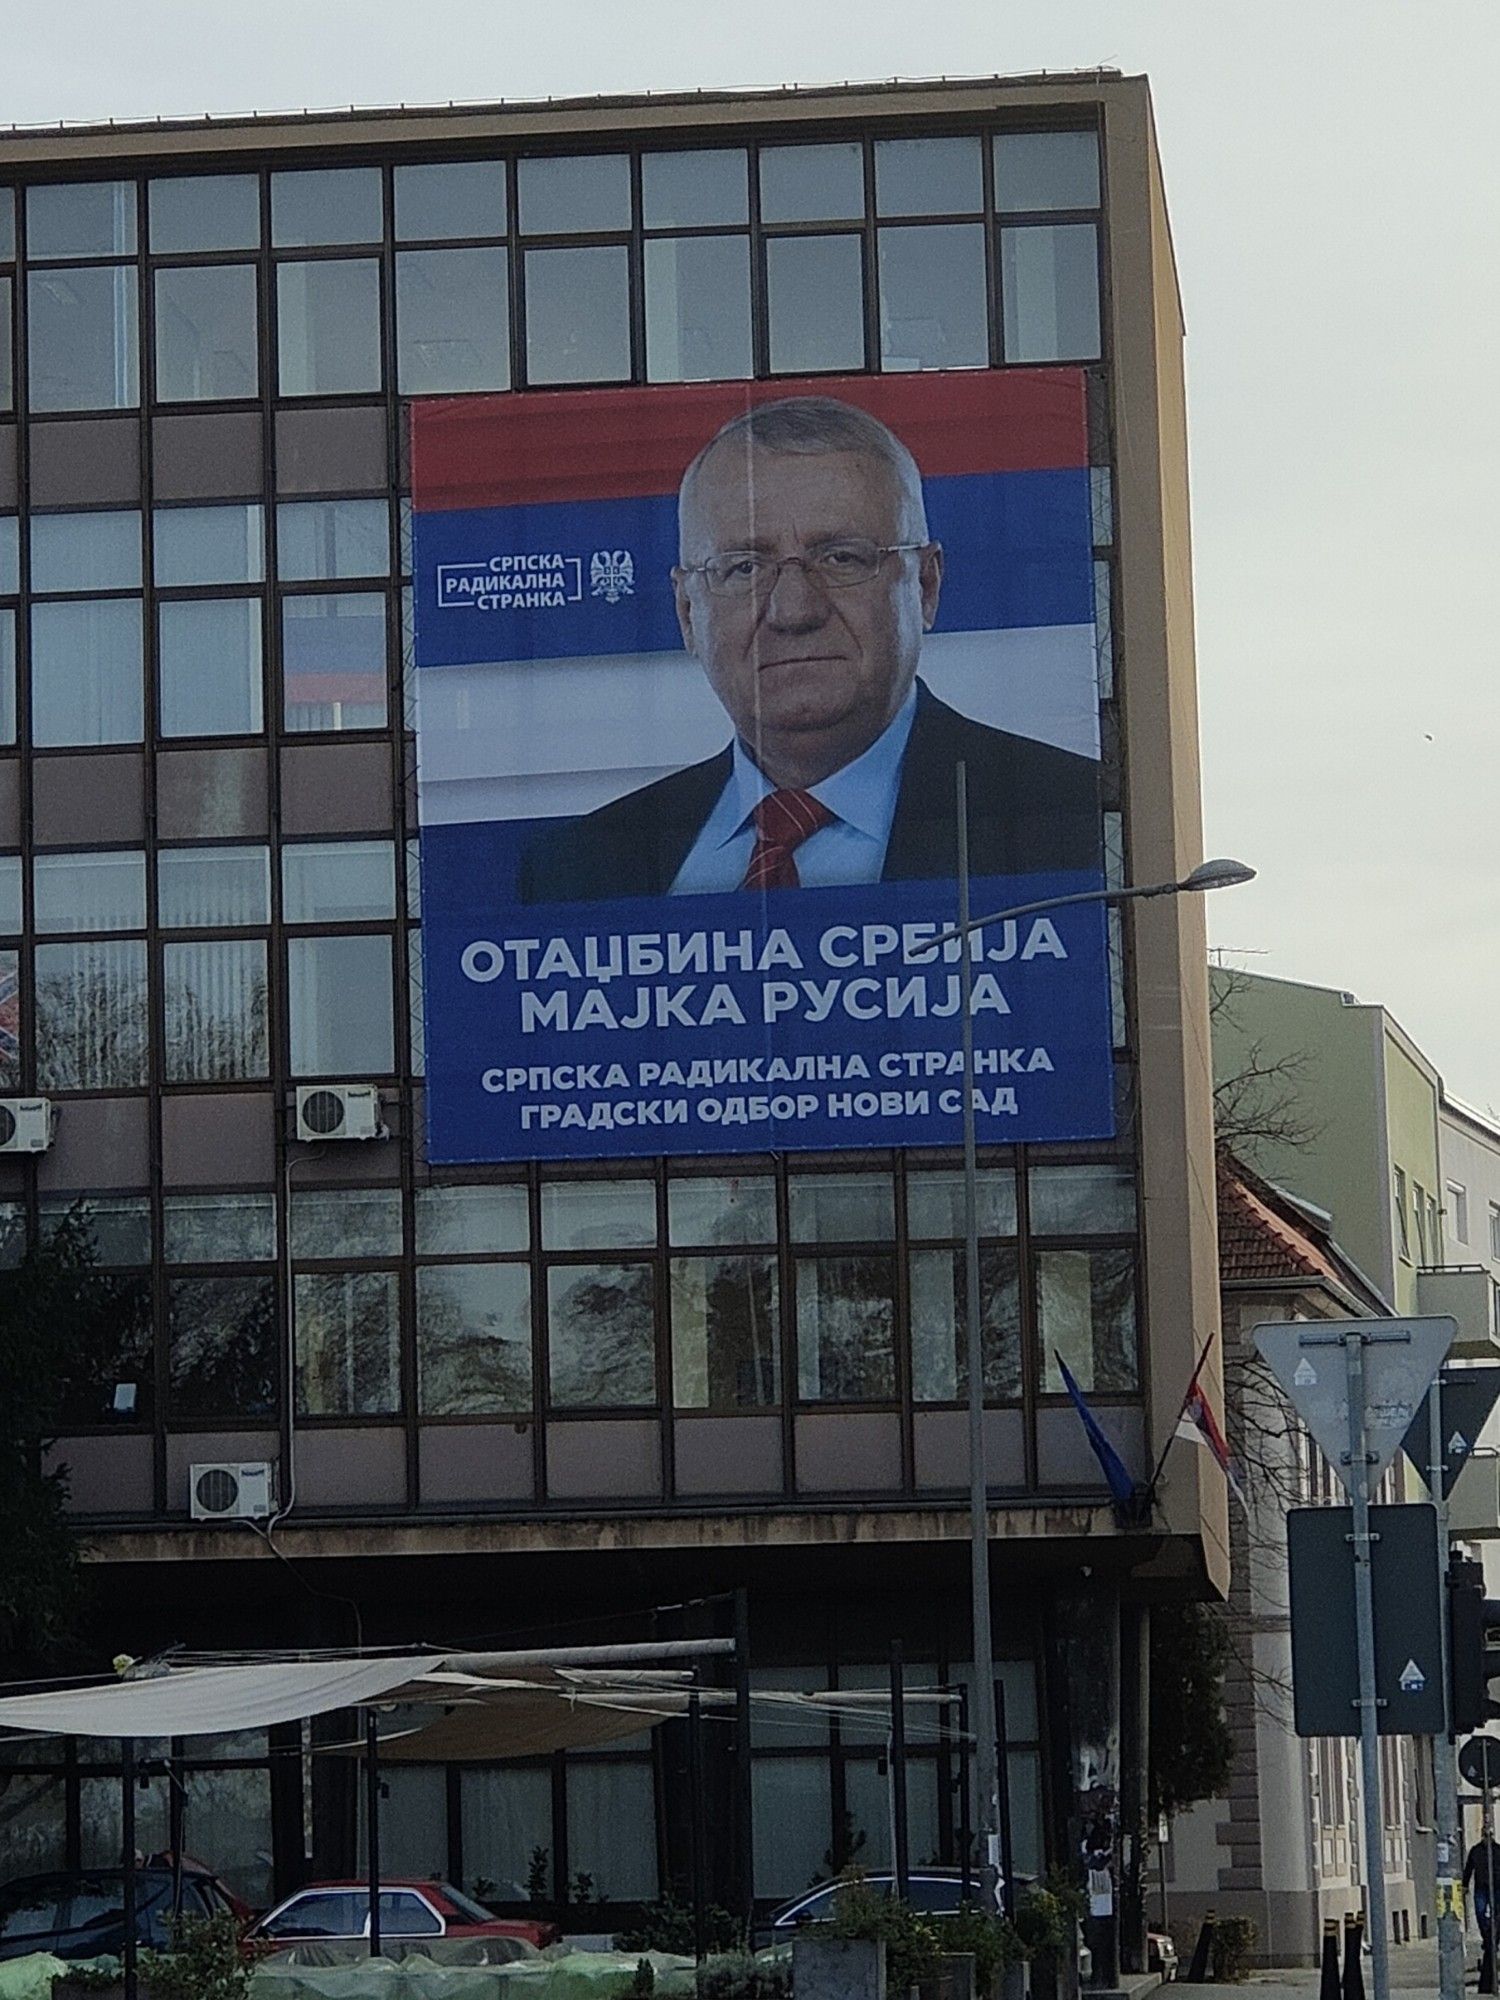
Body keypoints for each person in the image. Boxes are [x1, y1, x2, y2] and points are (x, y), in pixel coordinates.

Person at [519, 396, 1100, 904]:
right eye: (743, 567)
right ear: (687, 612)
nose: (794, 611)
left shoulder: (1071, 818)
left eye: (842, 557)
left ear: (925, 585)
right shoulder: (574, 870)